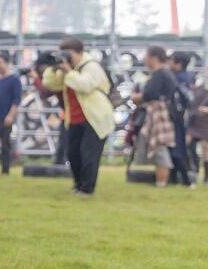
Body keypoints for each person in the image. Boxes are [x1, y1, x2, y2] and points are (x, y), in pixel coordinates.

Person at [41, 38, 114, 195]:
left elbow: (84, 85)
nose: (66, 57)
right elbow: (50, 84)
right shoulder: (68, 69)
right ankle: (78, 184)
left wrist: (68, 70)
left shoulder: (91, 66)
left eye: (68, 53)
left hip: (95, 118)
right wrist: (55, 68)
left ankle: (87, 189)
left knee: (89, 154)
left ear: (80, 52)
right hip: (73, 118)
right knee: (73, 154)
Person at [130, 46, 178, 188]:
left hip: (158, 113)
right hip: (160, 113)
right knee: (158, 146)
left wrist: (136, 97)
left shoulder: (160, 74)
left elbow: (150, 94)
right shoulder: (165, 73)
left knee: (159, 146)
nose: (144, 59)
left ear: (154, 57)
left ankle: (161, 183)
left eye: (146, 56)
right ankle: (160, 182)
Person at [167, 51, 195, 187]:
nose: (168, 62)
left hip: (178, 118)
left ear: (179, 63)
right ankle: (175, 180)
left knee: (177, 148)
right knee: (176, 148)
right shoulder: (186, 77)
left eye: (171, 60)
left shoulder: (179, 78)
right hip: (180, 118)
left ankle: (186, 180)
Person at [188, 67, 208, 184]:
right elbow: (192, 103)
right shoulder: (198, 88)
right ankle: (193, 172)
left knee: (206, 150)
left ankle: (206, 177)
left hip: (206, 123)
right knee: (189, 145)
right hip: (195, 122)